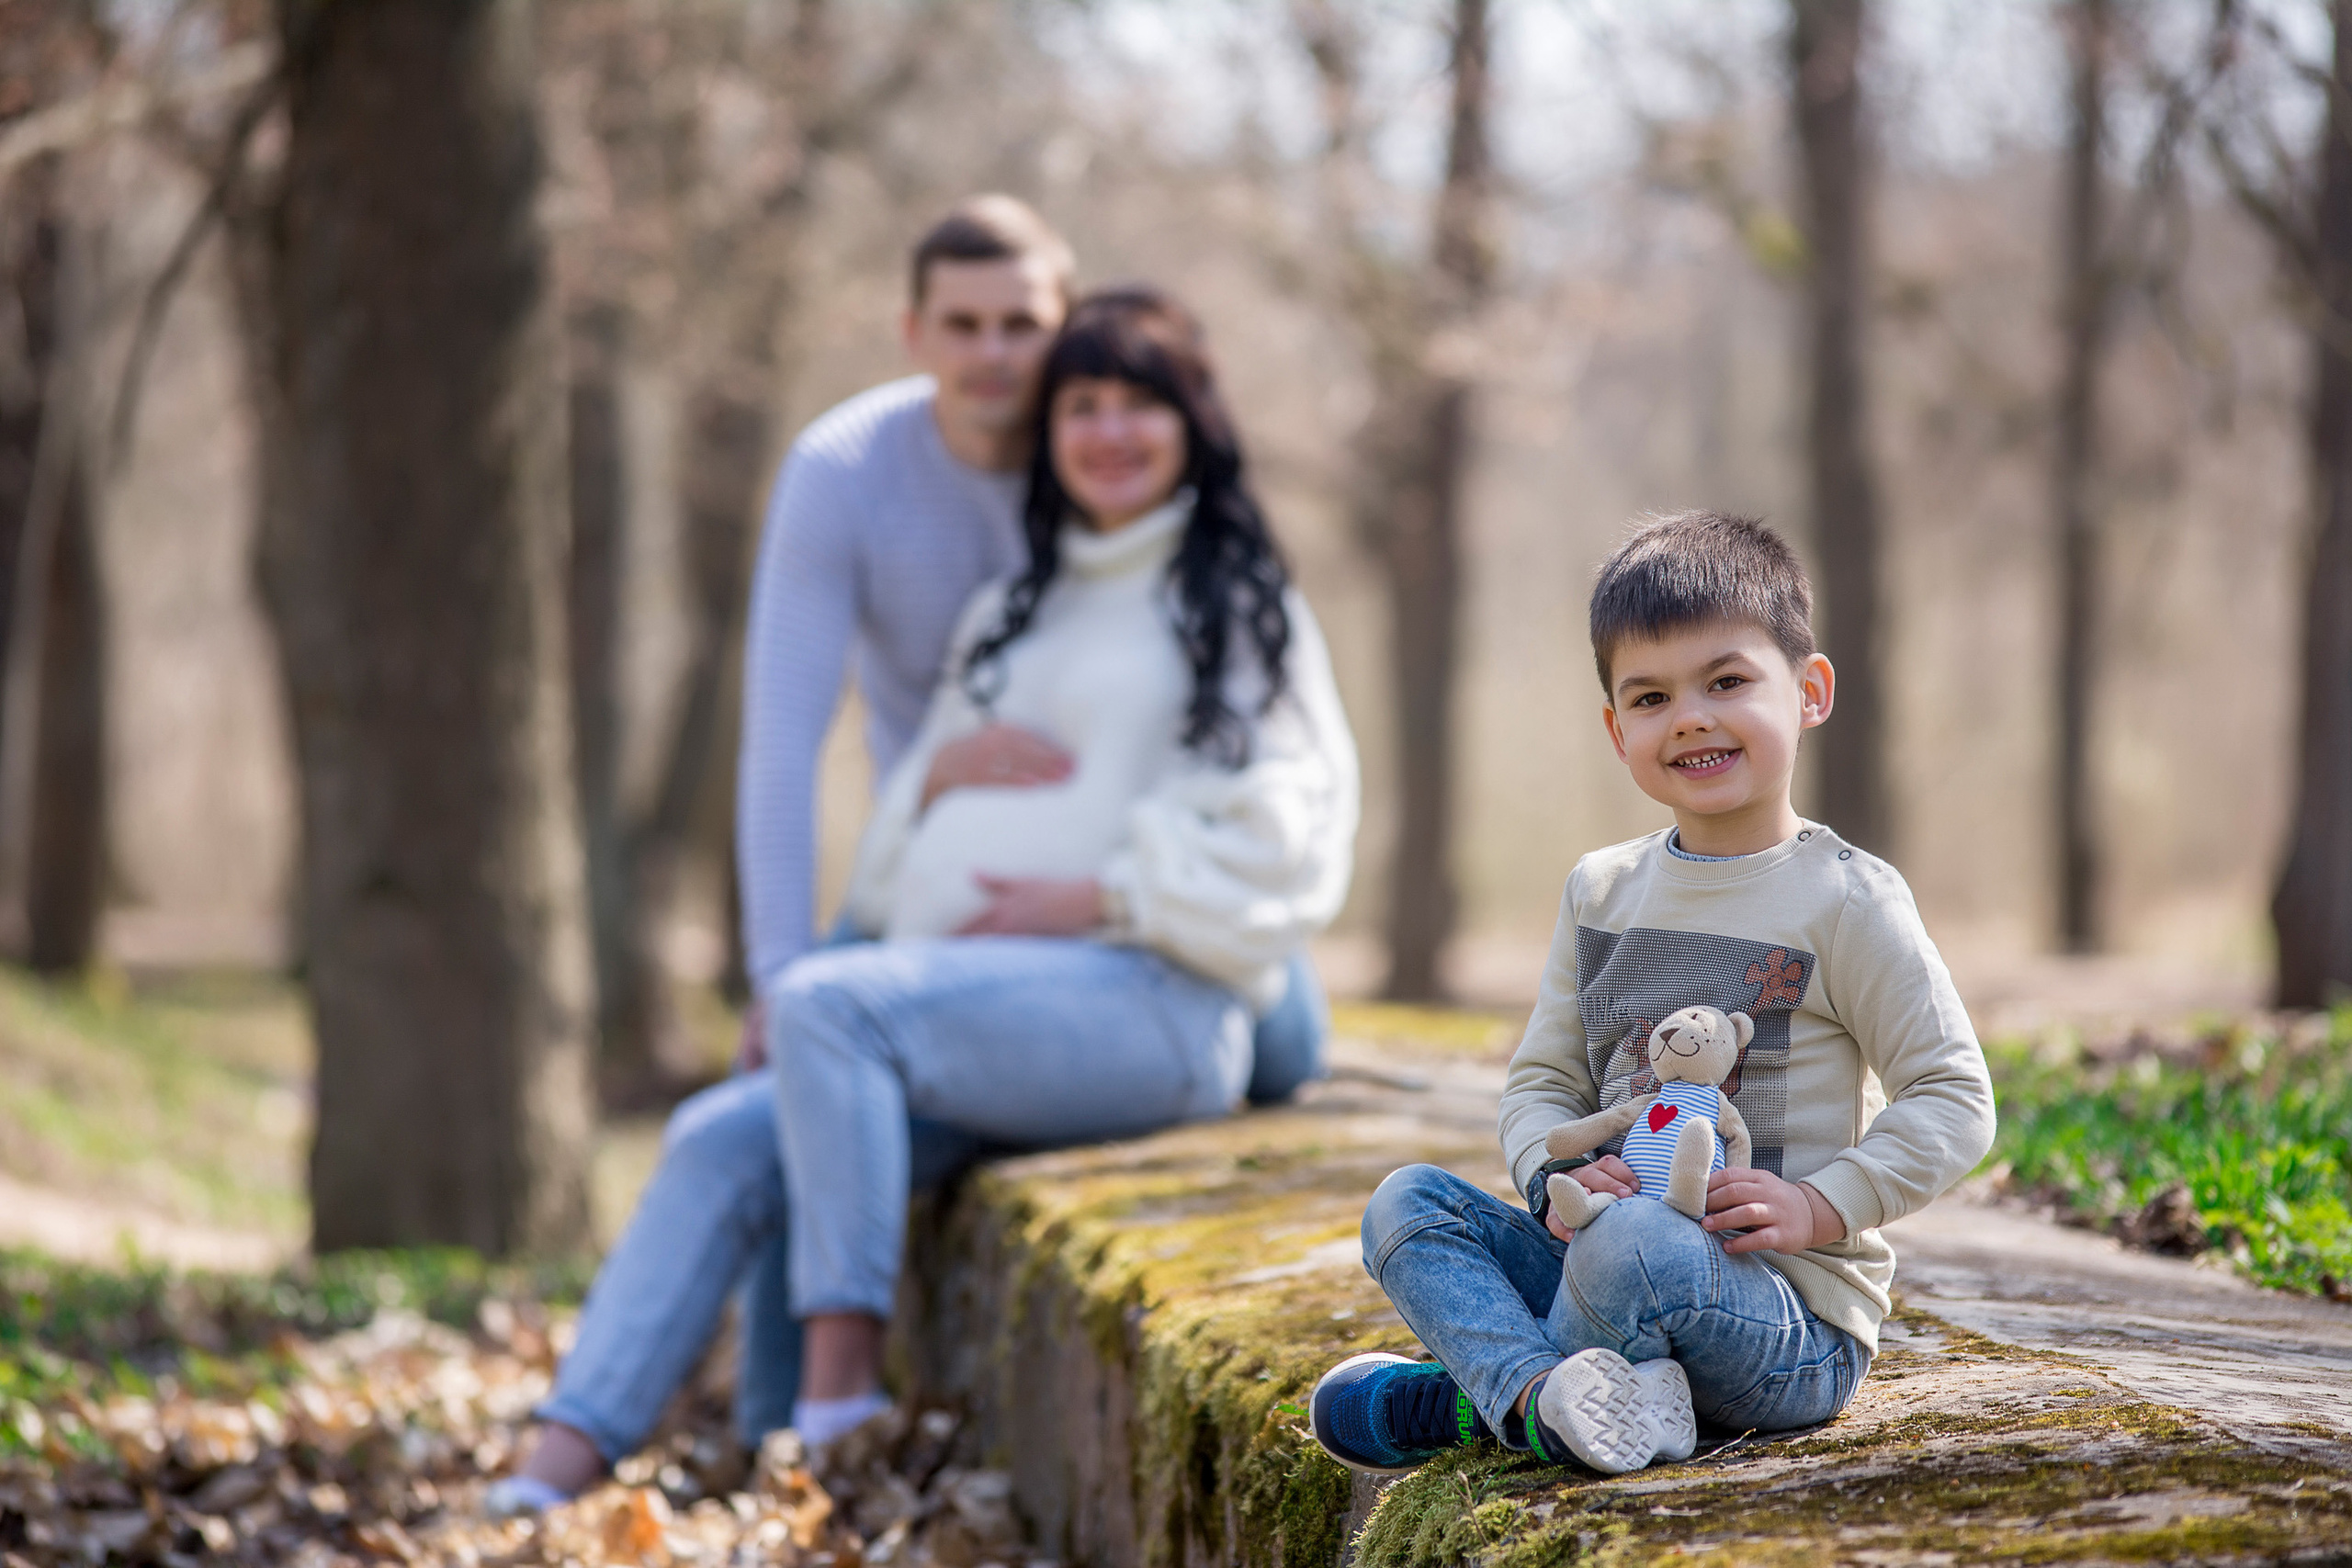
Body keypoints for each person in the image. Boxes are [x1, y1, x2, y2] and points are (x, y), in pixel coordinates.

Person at [492, 287, 1359, 1512]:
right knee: (719, 1135)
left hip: (1159, 1004)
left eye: (1140, 405)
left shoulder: (1235, 601)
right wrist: (936, 780)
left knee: (830, 1007)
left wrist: (1101, 887)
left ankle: (835, 1400)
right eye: (1084, 406)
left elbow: (1299, 834)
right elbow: (903, 847)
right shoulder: (1015, 610)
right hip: (991, 1014)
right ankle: (545, 1474)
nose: (1110, 431)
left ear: (1192, 421)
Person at [723, 195, 1330, 1448]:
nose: (994, 353)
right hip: (929, 864)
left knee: (1280, 1048)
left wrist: (1132, 900)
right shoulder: (848, 472)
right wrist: (781, 964)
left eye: (1023, 326)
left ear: (1063, 335)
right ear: (915, 331)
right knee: (796, 1065)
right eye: (964, 324)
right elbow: (781, 741)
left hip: (1129, 899)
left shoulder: (1113, 476)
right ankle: (771, 1417)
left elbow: (1263, 776)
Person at [1308, 513, 1995, 1476]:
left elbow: (1953, 1098)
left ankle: (1481, 1396)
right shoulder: (1600, 892)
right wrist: (1553, 1183)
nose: (1690, 717)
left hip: (1782, 1324)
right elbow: (1542, 1084)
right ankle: (1545, 1402)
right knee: (1407, 1203)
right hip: (1601, 1250)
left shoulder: (1845, 899)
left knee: (1633, 1243)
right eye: (1650, 696)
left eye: (1726, 681)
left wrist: (1818, 1204)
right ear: (1615, 728)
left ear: (1808, 692)